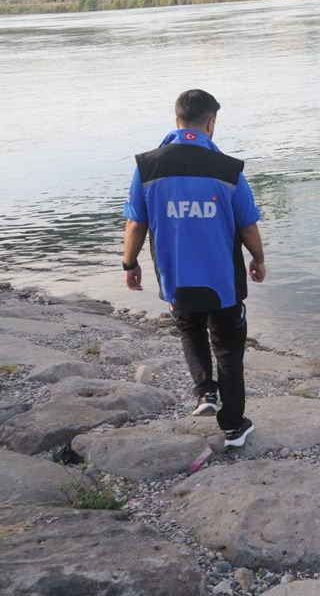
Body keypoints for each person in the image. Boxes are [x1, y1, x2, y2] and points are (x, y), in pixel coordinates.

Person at [122, 89, 266, 449]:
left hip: (176, 279)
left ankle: (205, 393)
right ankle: (233, 427)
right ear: (211, 123)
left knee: (190, 331)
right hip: (224, 282)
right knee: (229, 351)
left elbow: (136, 225)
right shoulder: (228, 169)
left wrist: (130, 263)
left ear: (177, 122)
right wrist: (258, 259)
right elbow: (247, 226)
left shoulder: (147, 166)